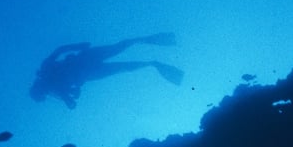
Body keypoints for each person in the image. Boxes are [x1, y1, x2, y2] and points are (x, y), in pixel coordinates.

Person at [29, 33, 184, 109]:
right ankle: (155, 54)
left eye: (43, 93)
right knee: (119, 54)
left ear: (39, 88)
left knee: (120, 58)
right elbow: (71, 97)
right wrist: (72, 97)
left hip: (87, 65)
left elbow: (59, 50)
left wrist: (78, 46)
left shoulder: (47, 73)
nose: (46, 93)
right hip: (87, 66)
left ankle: (153, 59)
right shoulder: (54, 86)